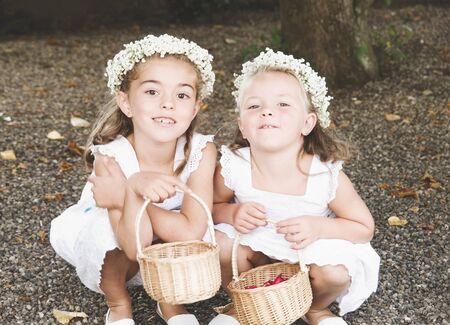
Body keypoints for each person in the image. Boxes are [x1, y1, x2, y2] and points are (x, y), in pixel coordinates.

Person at [50, 34, 217, 325]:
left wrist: (128, 193)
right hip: (123, 244)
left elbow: (191, 231)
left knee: (209, 233)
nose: (167, 104)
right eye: (152, 92)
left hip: (172, 239)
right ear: (126, 102)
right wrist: (133, 188)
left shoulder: (202, 151)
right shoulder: (111, 159)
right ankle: (117, 302)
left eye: (181, 95)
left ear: (194, 109)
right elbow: (132, 245)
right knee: (105, 230)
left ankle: (169, 300)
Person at [209, 49, 380, 325]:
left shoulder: (323, 175)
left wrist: (319, 227)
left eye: (283, 105)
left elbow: (363, 227)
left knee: (335, 272)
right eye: (254, 106)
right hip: (257, 248)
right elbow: (209, 208)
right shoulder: (235, 166)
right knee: (219, 243)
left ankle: (314, 308)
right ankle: (245, 302)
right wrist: (231, 215)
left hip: (306, 253)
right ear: (242, 126)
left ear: (307, 123)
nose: (267, 111)